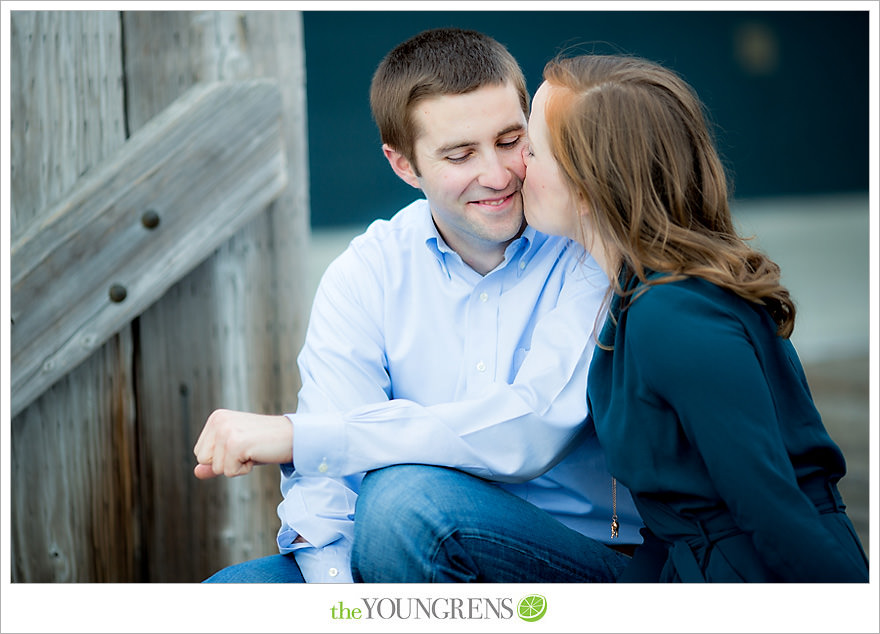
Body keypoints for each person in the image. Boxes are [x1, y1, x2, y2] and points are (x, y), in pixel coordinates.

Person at [193, 28, 643, 583]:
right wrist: (340, 603)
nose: (498, 176)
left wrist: (305, 436)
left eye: (510, 141)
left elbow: (532, 428)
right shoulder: (367, 272)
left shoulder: (585, 245)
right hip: (396, 552)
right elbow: (329, 489)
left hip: (575, 556)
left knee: (405, 499)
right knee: (228, 595)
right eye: (460, 155)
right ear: (404, 165)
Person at [520, 52, 869, 582]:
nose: (516, 163)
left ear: (589, 186)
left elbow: (772, 510)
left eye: (532, 149)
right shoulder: (640, 293)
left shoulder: (675, 314)